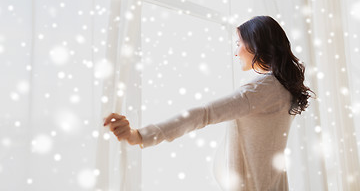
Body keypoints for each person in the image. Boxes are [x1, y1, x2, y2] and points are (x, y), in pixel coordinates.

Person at [103, 15, 315, 190]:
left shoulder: (258, 91)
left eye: (238, 43)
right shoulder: (284, 87)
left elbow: (204, 114)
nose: (235, 51)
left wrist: (140, 135)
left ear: (255, 44)